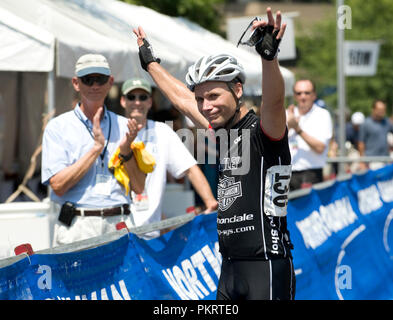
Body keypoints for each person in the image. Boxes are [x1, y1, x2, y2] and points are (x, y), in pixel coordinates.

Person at [133, 7, 295, 300]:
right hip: (229, 268)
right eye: (201, 99)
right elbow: (183, 100)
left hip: (266, 267)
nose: (206, 106)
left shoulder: (264, 132)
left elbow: (274, 102)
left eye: (213, 96)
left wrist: (268, 59)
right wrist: (150, 64)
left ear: (237, 89)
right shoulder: (223, 131)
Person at [41, 53, 146, 246]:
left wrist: (126, 152)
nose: (95, 85)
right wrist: (96, 149)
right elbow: (58, 185)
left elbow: (139, 187)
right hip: (79, 224)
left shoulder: (125, 126)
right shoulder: (58, 127)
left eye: (101, 79)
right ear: (76, 83)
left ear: (110, 82)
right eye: (88, 79)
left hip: (120, 222)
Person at [119, 77, 218, 239]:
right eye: (132, 97)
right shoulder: (112, 129)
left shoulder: (162, 131)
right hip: (116, 232)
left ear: (150, 102)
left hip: (150, 232)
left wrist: (210, 201)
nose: (137, 102)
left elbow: (190, 168)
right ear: (123, 101)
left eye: (142, 97)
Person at [286, 79, 333, 190]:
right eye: (299, 93)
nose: (303, 97)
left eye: (307, 93)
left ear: (314, 95)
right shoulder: (287, 114)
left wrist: (297, 129)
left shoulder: (322, 114)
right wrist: (287, 126)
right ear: (294, 96)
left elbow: (320, 147)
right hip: (287, 173)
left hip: (312, 173)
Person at [358, 100, 393, 170]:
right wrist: (362, 161)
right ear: (373, 109)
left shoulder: (387, 122)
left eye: (383, 109)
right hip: (371, 161)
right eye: (379, 109)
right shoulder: (366, 123)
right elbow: (361, 143)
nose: (382, 111)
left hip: (385, 160)